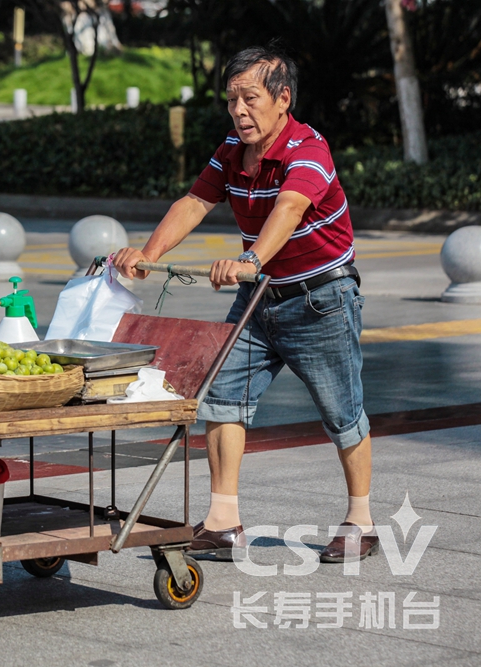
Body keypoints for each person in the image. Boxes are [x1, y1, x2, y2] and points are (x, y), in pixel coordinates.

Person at [114, 44, 376, 564]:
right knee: (223, 397)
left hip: (320, 298)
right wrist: (147, 254)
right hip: (258, 300)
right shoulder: (233, 147)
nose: (238, 110)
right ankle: (223, 522)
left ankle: (361, 522)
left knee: (341, 412)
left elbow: (290, 207)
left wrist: (250, 258)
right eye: (232, 99)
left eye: (249, 98)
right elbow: (194, 201)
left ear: (283, 99)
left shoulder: (308, 150)